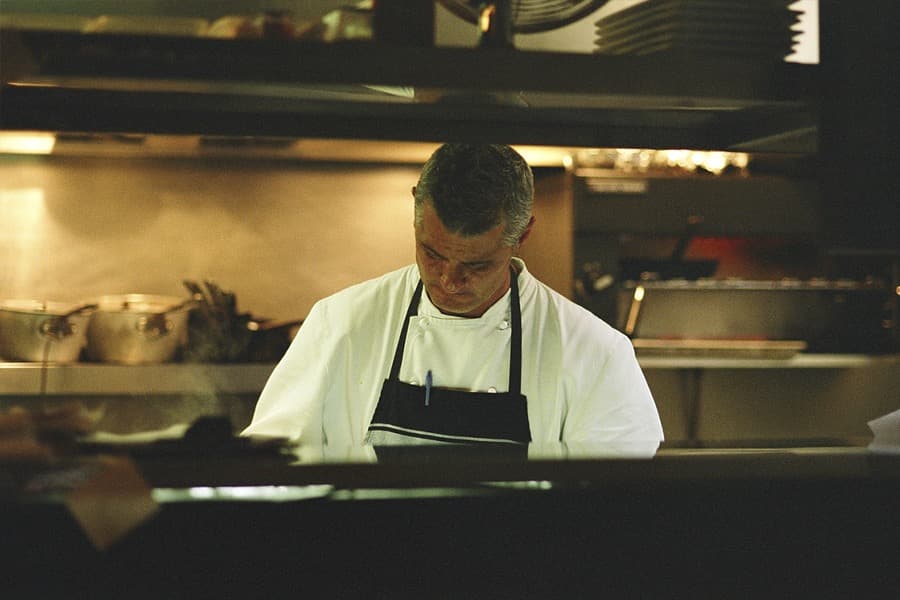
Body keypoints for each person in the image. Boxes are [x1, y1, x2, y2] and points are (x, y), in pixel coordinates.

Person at [243, 143, 663, 453]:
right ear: (415, 212)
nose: (448, 279)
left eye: (477, 265)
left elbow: (612, 504)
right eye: (432, 253)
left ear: (524, 236)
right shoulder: (341, 324)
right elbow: (275, 468)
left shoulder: (595, 352)